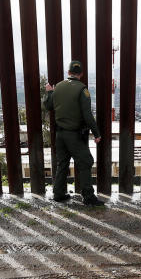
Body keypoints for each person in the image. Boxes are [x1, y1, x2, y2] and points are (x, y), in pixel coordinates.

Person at [43, 60, 105, 206]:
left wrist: (49, 93)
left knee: (62, 163)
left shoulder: (57, 87)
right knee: (86, 161)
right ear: (81, 73)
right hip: (74, 135)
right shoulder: (82, 89)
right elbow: (87, 115)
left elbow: (48, 106)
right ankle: (88, 197)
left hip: (60, 135)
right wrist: (97, 134)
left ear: (68, 72)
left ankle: (58, 194)